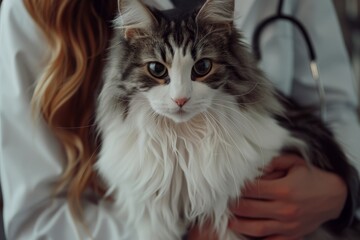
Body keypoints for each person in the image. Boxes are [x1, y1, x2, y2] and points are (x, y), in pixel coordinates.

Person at [0, 1, 359, 240]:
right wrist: (190, 233)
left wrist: (343, 193)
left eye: (201, 68)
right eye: (157, 70)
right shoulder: (27, 9)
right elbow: (35, 221)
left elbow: (338, 109)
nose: (181, 96)